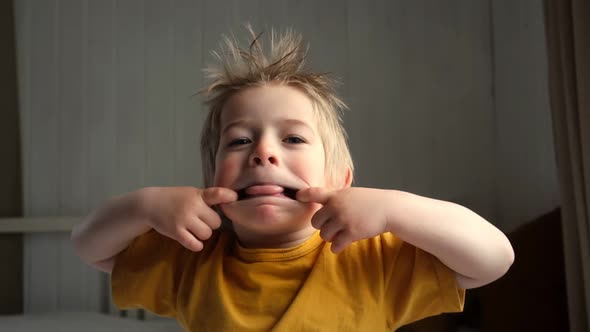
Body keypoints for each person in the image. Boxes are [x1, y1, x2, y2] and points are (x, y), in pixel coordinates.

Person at [71, 26, 514, 331]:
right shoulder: (191, 260)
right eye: (240, 141)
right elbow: (91, 248)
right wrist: (144, 206)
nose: (263, 152)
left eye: (294, 139)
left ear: (341, 181)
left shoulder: (373, 261)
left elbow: (494, 259)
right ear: (210, 181)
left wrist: (396, 208)